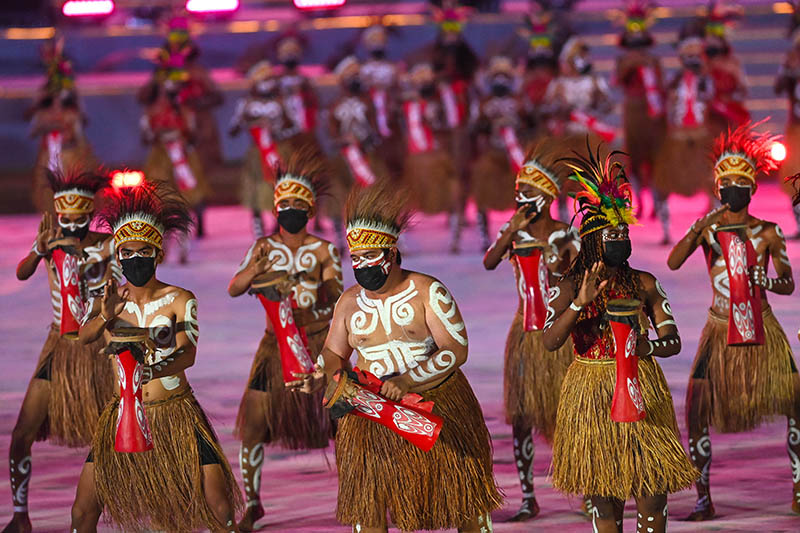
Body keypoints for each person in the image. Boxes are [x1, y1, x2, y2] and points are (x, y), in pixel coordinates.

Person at [290, 180, 502, 532]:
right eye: (355, 259)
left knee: (464, 497)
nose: (361, 266)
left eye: (369, 257)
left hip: (436, 403)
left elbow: (456, 349)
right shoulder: (349, 302)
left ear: (391, 254)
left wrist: (407, 380)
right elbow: (334, 351)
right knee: (368, 505)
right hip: (370, 411)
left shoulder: (427, 291)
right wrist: (320, 372)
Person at [543, 145, 698, 533]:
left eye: (625, 233)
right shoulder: (568, 286)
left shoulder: (644, 282)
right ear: (594, 241)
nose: (621, 239)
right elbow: (550, 340)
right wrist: (579, 304)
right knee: (604, 493)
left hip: (640, 384)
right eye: (613, 234)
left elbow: (673, 340)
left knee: (652, 488)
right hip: (591, 389)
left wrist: (646, 347)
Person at [70, 182, 242, 532]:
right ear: (118, 257)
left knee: (219, 505)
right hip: (124, 413)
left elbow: (187, 354)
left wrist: (149, 371)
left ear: (158, 254)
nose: (135, 260)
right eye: (127, 253)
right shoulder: (108, 300)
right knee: (83, 511)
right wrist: (105, 316)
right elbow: (83, 337)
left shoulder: (180, 299)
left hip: (175, 412)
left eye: (143, 251)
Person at [667, 123, 799, 520]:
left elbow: (788, 284)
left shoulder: (769, 232)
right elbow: (673, 262)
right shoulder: (709, 230)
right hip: (719, 328)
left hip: (763, 325)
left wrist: (766, 281)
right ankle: (703, 498)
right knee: (696, 410)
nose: (733, 190)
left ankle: (799, 488)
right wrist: (699, 227)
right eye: (726, 184)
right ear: (717, 189)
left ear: (753, 189)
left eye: (741, 184)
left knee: (795, 403)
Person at [227, 154, 342, 531]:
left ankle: (354, 494)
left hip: (318, 343)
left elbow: (338, 298)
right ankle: (253, 503)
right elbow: (235, 288)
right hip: (274, 347)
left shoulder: (324, 250)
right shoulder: (263, 247)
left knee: (342, 425)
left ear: (310, 210)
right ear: (276, 208)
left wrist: (309, 290)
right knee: (254, 427)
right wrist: (256, 269)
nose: (290, 210)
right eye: (284, 204)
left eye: (297, 204)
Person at [4, 170, 116, 533]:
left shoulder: (108, 245)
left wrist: (85, 261)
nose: (70, 225)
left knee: (106, 437)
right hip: (58, 345)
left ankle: (94, 512)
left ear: (90, 214)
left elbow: (122, 289)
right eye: (64, 218)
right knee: (22, 433)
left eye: (77, 218)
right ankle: (20, 515)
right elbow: (21, 273)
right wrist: (39, 251)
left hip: (97, 347)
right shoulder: (50, 242)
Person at [482, 147, 579, 521]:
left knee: (568, 417)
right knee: (522, 418)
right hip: (524, 334)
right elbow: (490, 261)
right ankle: (528, 497)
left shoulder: (565, 233)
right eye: (518, 191)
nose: (521, 197)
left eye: (529, 192)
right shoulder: (515, 234)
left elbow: (581, 278)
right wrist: (510, 229)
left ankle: (587, 490)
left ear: (548, 196)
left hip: (560, 336)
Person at [652, 26, 715, 244]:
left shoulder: (705, 79)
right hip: (677, 137)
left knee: (713, 182)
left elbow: (709, 96)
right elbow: (664, 99)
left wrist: (701, 76)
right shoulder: (674, 78)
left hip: (700, 136)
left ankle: (714, 229)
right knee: (663, 184)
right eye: (688, 56)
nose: (692, 60)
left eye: (696, 55)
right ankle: (666, 231)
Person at [140, 77, 211, 260]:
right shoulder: (152, 112)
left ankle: (183, 246)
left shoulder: (186, 112)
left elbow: (194, 136)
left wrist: (183, 139)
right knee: (160, 203)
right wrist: (157, 134)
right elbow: (146, 137)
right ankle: (162, 245)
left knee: (184, 201)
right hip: (160, 160)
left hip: (182, 159)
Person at [229, 61, 298, 238]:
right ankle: (258, 230)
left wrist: (276, 133)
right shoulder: (246, 104)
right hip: (257, 153)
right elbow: (233, 130)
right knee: (255, 191)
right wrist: (251, 123)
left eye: (270, 80)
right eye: (264, 80)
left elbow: (295, 127)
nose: (268, 84)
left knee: (280, 188)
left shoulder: (282, 102)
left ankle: (279, 225)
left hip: (278, 151)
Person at [29, 35, 97, 213]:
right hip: (50, 154)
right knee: (48, 189)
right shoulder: (44, 103)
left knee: (72, 185)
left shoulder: (71, 108)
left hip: (70, 154)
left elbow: (81, 125)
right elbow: (34, 129)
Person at [614, 0, 666, 215]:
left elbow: (660, 85)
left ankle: (655, 201)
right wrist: (630, 65)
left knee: (653, 157)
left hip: (650, 112)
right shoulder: (622, 60)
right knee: (633, 159)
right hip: (632, 111)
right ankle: (639, 201)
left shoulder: (653, 60)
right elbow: (617, 82)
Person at [401, 63, 459, 251]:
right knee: (408, 199)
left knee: (450, 195)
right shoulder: (408, 105)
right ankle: (400, 241)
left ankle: (455, 238)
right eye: (420, 80)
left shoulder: (439, 103)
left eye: (427, 80)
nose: (423, 83)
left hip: (436, 155)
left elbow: (450, 121)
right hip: (416, 158)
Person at [471, 55, 525, 251]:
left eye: (504, 77)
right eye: (496, 77)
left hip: (514, 155)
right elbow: (475, 127)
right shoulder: (484, 103)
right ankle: (484, 236)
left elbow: (530, 124)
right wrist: (489, 123)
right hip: (492, 154)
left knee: (523, 192)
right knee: (482, 188)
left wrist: (515, 125)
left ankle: (522, 232)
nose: (500, 81)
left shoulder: (519, 102)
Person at [774, 15, 800, 237]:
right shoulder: (791, 62)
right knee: (795, 179)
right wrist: (788, 71)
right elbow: (778, 88)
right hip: (796, 129)